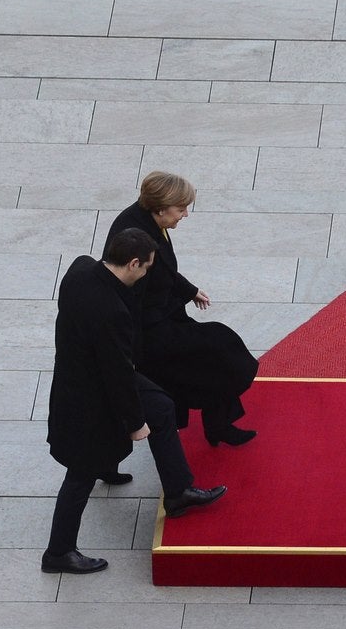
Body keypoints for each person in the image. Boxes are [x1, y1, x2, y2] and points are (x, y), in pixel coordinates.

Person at [43, 228, 227, 575]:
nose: (145, 275)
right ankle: (58, 551)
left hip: (81, 377)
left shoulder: (80, 270)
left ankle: (177, 491)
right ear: (132, 263)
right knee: (80, 474)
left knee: (160, 405)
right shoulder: (111, 312)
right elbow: (117, 374)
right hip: (88, 397)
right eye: (144, 269)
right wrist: (134, 423)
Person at [108, 171, 259, 447]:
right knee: (220, 352)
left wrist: (189, 290)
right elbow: (128, 299)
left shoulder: (149, 221)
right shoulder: (135, 240)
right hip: (152, 332)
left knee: (217, 355)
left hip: (165, 315)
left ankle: (219, 424)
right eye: (181, 209)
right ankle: (217, 425)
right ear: (160, 208)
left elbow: (162, 268)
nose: (185, 214)